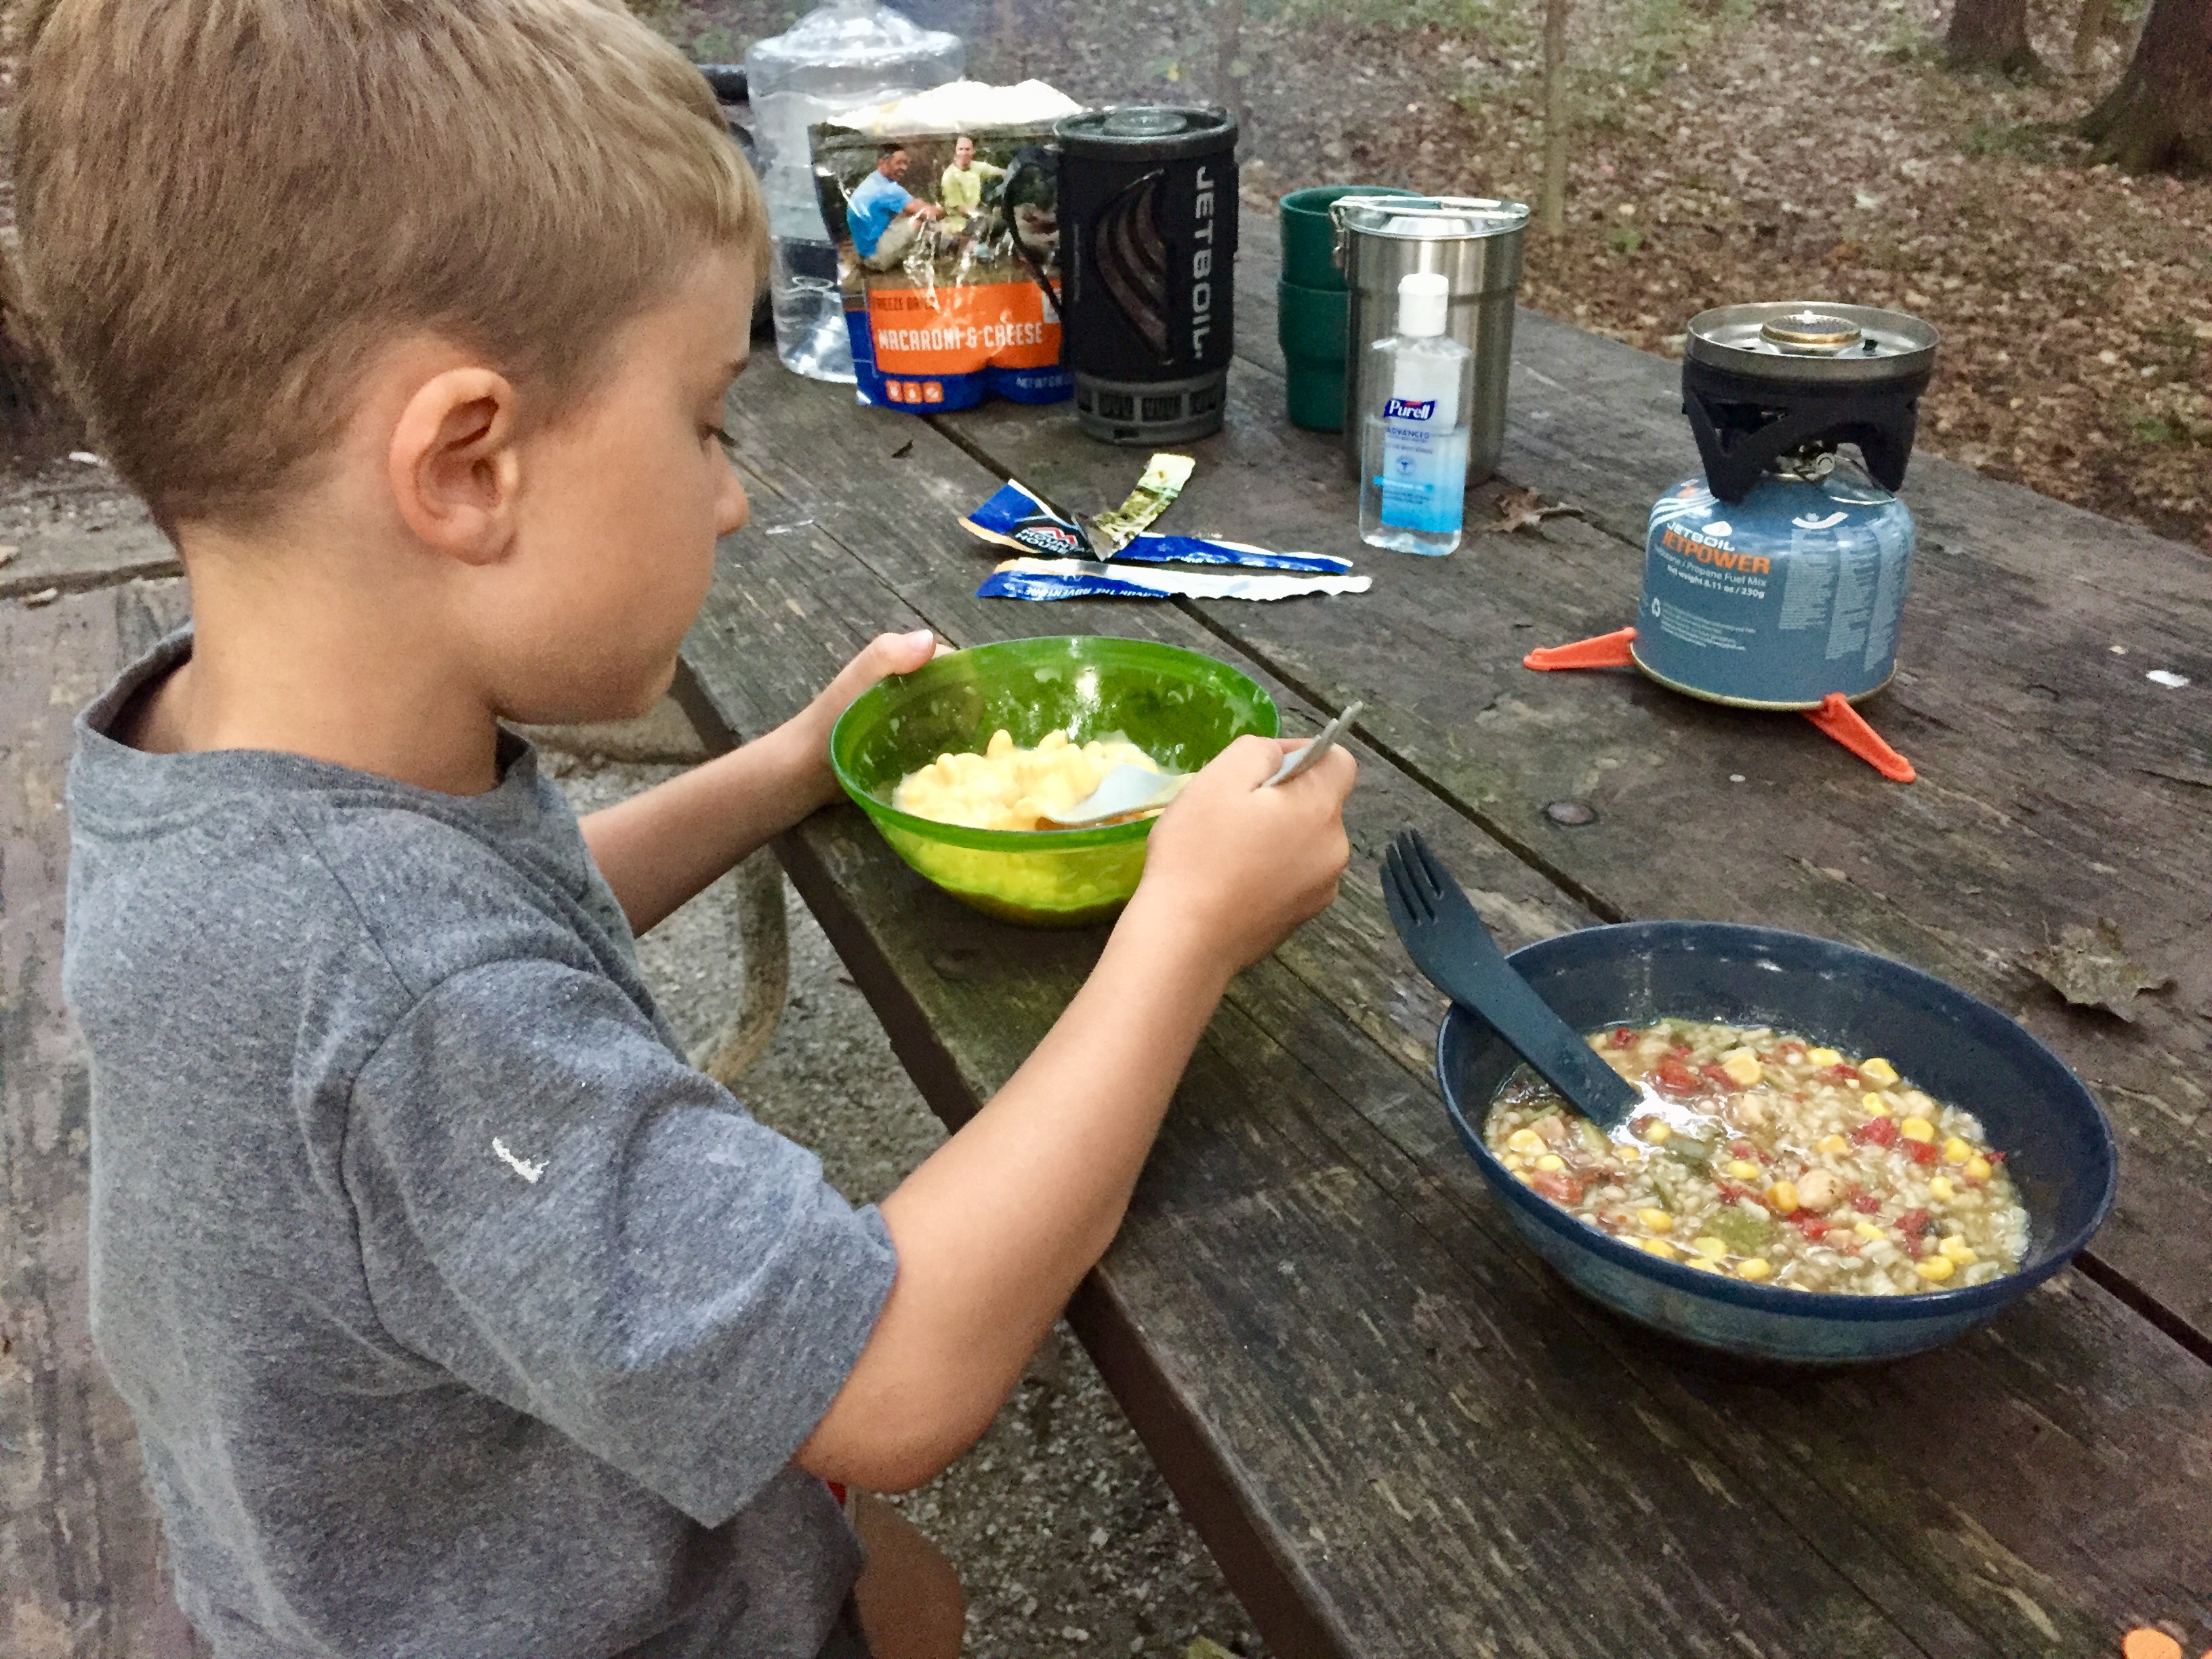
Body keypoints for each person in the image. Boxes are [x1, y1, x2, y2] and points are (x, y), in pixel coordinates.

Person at [14, 5, 1356, 1659]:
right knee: (908, 1592)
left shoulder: (215, 757)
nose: (727, 495)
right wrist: (1185, 926)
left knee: (905, 1591)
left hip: (358, 1564)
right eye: (704, 421)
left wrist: (785, 765)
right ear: (468, 464)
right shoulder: (406, 990)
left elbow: (503, 931)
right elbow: (894, 1376)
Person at [846, 142, 941, 272]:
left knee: (909, 212)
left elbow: (913, 205)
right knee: (918, 220)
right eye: (899, 163)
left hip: (865, 250)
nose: (904, 168)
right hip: (874, 257)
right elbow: (928, 213)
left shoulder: (874, 180)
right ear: (883, 162)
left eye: (906, 163)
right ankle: (938, 253)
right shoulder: (888, 189)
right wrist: (944, 209)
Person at [936, 134, 1004, 251]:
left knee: (1005, 220)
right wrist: (976, 215)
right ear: (956, 152)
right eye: (961, 149)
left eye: (967, 149)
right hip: (958, 224)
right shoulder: (949, 176)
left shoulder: (976, 167)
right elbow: (959, 207)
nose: (964, 153)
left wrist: (1012, 174)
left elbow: (998, 172)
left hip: (977, 220)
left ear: (973, 151)